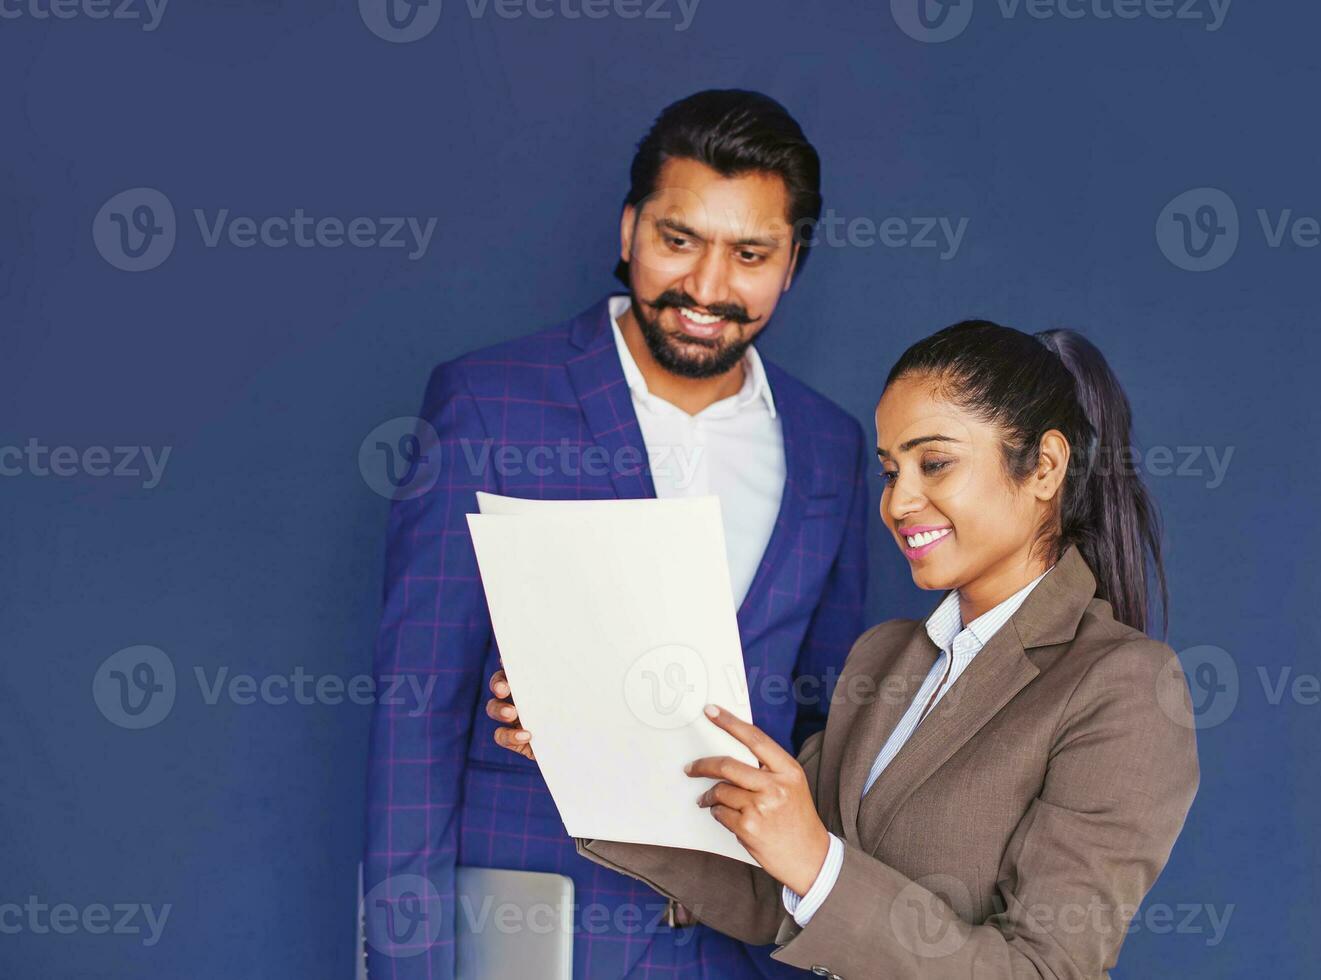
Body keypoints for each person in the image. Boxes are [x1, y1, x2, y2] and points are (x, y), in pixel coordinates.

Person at [489, 320, 1201, 978]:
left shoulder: (1123, 686)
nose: (897, 502)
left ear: (1045, 467)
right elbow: (776, 892)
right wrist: (586, 743)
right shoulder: (884, 659)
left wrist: (819, 864)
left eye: (936, 464)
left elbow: (1044, 971)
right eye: (892, 470)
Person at [363, 90, 870, 980]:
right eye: (679, 241)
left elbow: (830, 722)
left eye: (750, 254)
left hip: (743, 949)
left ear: (792, 264)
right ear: (630, 229)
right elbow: (417, 713)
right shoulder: (488, 402)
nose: (709, 289)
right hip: (542, 930)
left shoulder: (830, 445)